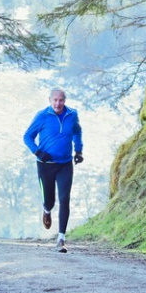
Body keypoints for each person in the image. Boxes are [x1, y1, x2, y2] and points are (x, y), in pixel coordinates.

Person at [22, 88, 84, 251]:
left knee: (65, 199)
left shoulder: (72, 114)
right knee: (50, 200)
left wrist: (78, 151)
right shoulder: (42, 116)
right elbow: (27, 136)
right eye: (55, 100)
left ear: (65, 100)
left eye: (61, 100)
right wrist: (37, 151)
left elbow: (77, 132)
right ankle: (46, 210)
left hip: (65, 164)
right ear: (50, 100)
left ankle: (61, 239)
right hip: (45, 165)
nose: (58, 103)